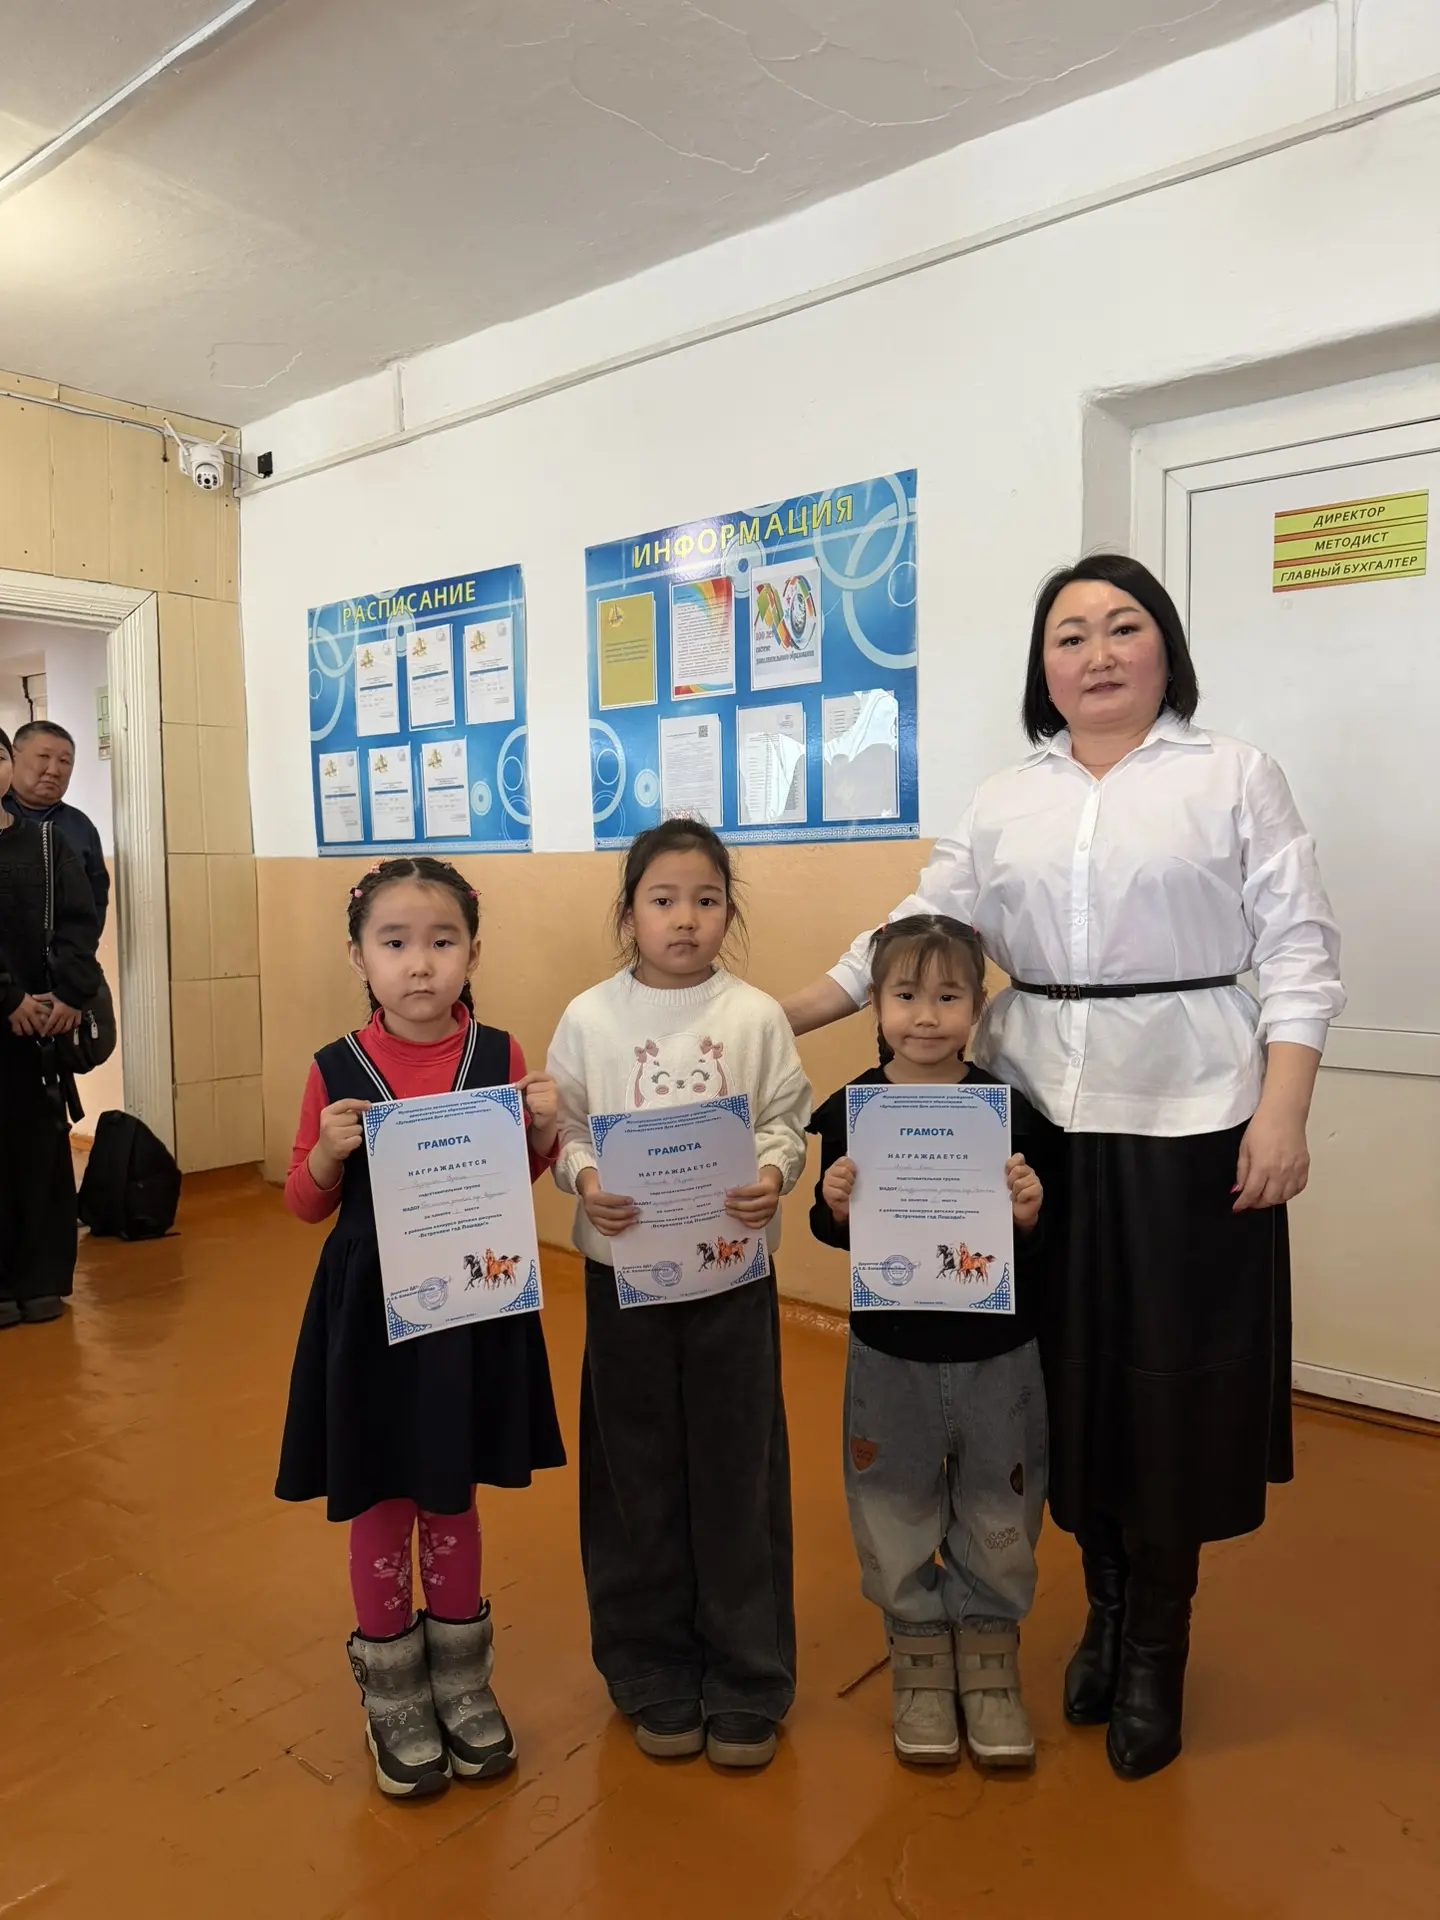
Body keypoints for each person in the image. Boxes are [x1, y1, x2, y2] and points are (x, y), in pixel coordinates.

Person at [784, 554, 1344, 1782]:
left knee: (1171, 1382)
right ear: (1043, 668)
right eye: (1069, 635)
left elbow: (1300, 951)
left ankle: (1158, 1643)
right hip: (1031, 1117)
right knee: (1058, 1373)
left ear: (1165, 647)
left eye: (1122, 627)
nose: (1097, 654)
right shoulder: (1007, 799)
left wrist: (1284, 1110)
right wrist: (772, 1020)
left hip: (1194, 1113)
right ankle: (1100, 1607)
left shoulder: (1233, 775)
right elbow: (912, 933)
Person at [274, 856, 566, 1800]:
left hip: (468, 1316)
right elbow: (302, 1203)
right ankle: (394, 1691)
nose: (420, 963)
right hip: (370, 1319)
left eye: (443, 942)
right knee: (381, 1498)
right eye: (394, 942)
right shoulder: (335, 1069)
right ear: (358, 956)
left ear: (473, 951)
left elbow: (512, 1181)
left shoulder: (499, 1056)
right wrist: (326, 1154)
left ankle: (462, 1680)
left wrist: (543, 1133)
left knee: (451, 1493)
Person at [546, 820, 810, 1771]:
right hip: (625, 1280)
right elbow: (567, 1129)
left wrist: (774, 1174)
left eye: (706, 900)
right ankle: (648, 1663)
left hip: (731, 1279)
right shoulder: (590, 1018)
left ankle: (748, 1674)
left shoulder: (755, 1017)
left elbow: (786, 1120)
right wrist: (584, 1181)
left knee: (739, 1471)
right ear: (630, 913)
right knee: (635, 1471)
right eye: (663, 900)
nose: (685, 919)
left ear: (728, 913)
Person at [809, 914, 1051, 1769]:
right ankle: (916, 1659)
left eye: (949, 997)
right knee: (892, 1499)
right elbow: (831, 1232)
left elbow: (1040, 1236)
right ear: (875, 1004)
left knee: (1000, 1501)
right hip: (890, 1350)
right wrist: (836, 1205)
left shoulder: (1006, 1111)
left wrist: (1029, 1214)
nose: (925, 1016)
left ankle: (989, 1666)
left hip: (998, 1351)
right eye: (905, 995)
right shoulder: (854, 1111)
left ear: (978, 1007)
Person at [0, 726, 101, 1327]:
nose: (52, 768)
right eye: (41, 757)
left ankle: (40, 1280)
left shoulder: (48, 841)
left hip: (42, 1028)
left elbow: (82, 920)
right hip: (7, 1014)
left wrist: (69, 992)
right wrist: (7, 997)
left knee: (40, 1152)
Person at [7, 721, 109, 931]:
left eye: (64, 761)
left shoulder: (81, 827)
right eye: (43, 756)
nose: (54, 770)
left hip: (63, 949)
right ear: (13, 758)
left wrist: (80, 945)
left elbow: (96, 897)